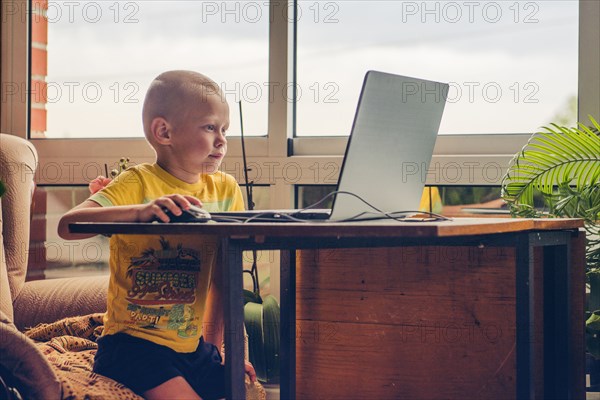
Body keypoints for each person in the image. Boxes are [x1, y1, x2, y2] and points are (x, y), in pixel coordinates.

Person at [58, 70, 256, 400]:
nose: (221, 140)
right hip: (133, 348)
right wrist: (141, 212)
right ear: (164, 131)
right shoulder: (137, 183)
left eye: (224, 130)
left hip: (192, 349)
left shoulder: (225, 190)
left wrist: (217, 350)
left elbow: (224, 280)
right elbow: (68, 225)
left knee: (244, 389)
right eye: (210, 127)